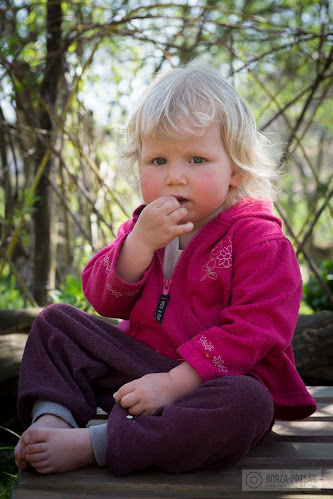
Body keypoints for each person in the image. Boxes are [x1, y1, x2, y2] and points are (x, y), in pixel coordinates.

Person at [14, 62, 317, 476]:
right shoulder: (144, 227)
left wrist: (175, 384)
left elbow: (257, 330)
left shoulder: (259, 241)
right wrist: (138, 244)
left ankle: (97, 443)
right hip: (140, 371)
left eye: (196, 159)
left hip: (213, 385)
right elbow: (102, 298)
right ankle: (53, 419)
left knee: (248, 405)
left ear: (237, 170)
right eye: (157, 160)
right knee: (55, 322)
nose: (175, 177)